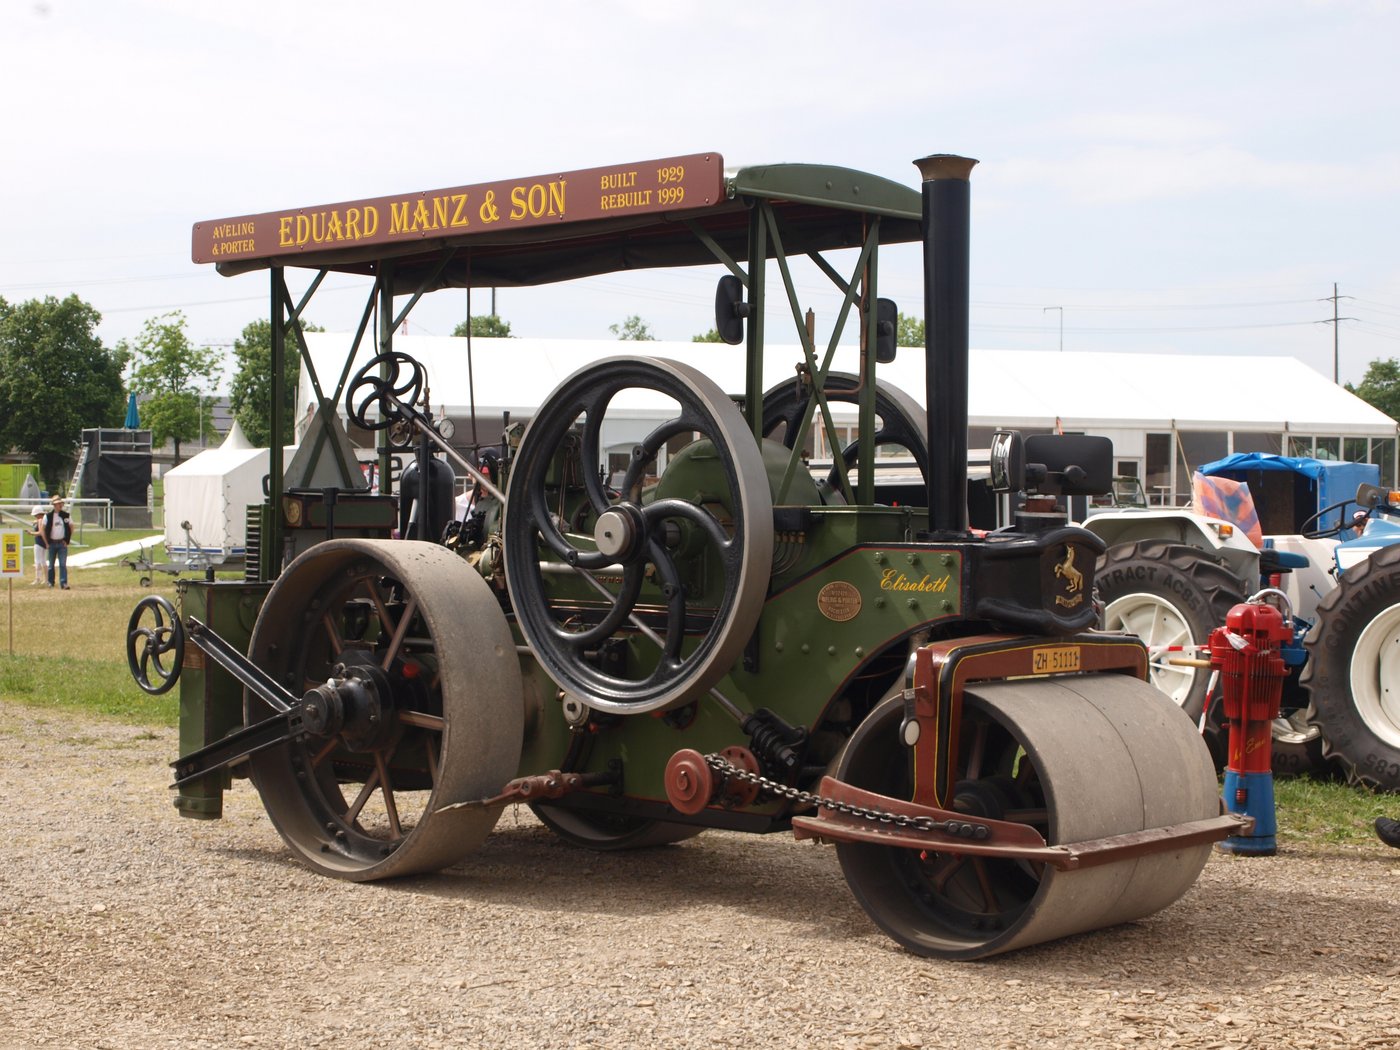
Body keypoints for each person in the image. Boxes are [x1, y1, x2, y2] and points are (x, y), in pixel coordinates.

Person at [41, 495, 72, 589]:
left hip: (62, 543)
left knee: (63, 564)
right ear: (54, 505)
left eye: (60, 504)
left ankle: (63, 583)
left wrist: (67, 540)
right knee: (51, 565)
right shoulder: (48, 516)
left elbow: (71, 526)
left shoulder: (66, 515)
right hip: (52, 543)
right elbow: (42, 529)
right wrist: (46, 542)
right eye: (58, 504)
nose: (60, 505)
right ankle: (51, 582)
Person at [29, 506, 47, 586]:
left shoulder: (40, 520)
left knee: (37, 561)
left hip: (39, 543)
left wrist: (31, 533)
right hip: (43, 543)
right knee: (43, 561)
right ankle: (46, 579)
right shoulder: (44, 520)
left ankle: (37, 579)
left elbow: (40, 532)